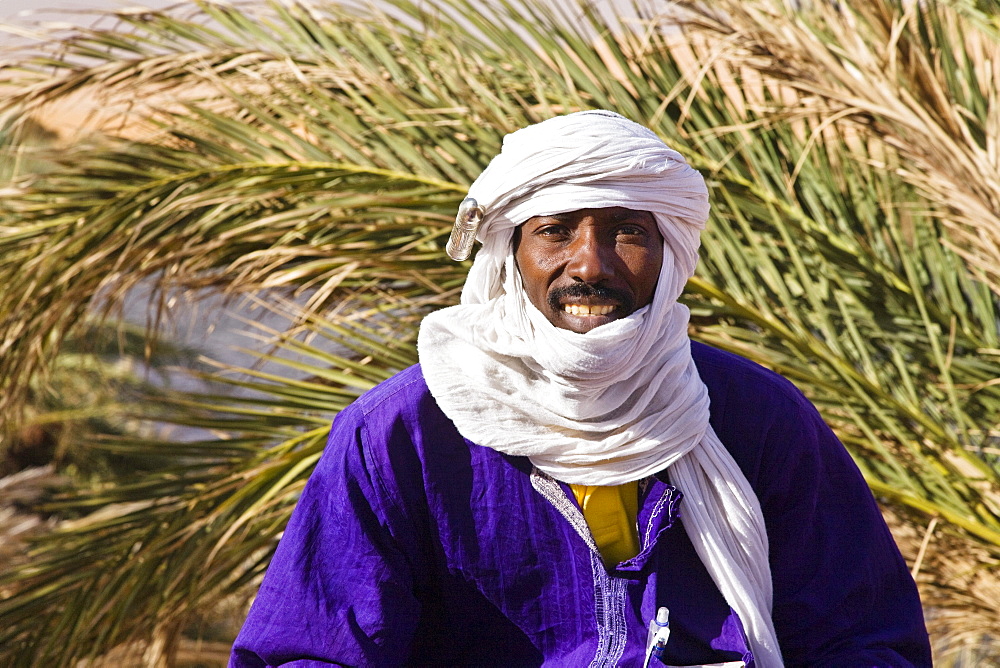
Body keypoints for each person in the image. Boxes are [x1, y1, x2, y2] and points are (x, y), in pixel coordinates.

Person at [229, 111, 931, 667]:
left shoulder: (756, 418)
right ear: (511, 255)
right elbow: (311, 653)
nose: (589, 265)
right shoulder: (402, 435)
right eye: (556, 231)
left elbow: (864, 641)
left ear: (668, 256)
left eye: (628, 232)